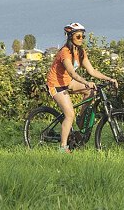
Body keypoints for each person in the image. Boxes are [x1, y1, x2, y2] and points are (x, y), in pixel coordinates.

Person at [45, 22, 118, 153]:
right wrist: (85, 82)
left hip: (68, 81)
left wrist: (109, 78)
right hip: (56, 84)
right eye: (78, 36)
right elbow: (72, 72)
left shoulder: (80, 52)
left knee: (91, 91)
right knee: (69, 114)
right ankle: (62, 148)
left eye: (83, 36)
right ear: (71, 36)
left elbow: (92, 70)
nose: (81, 39)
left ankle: (81, 120)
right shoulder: (65, 52)